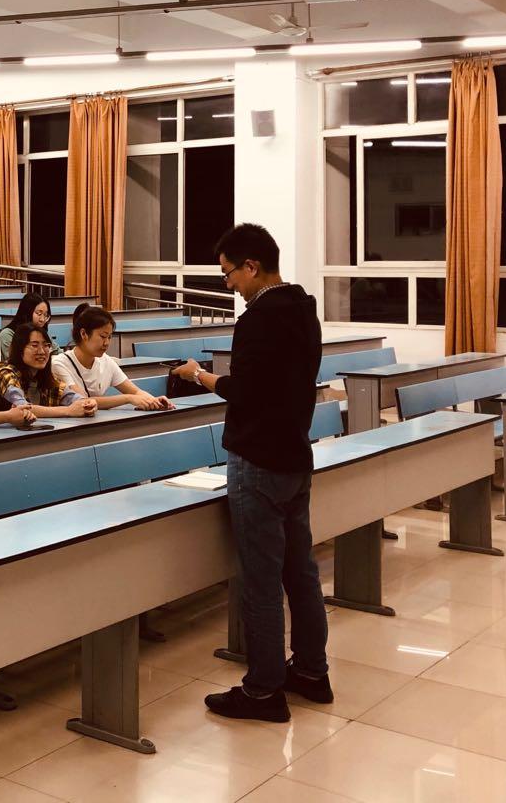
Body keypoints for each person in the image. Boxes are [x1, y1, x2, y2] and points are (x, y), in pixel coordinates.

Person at [170, 223, 329, 723]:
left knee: (261, 581)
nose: (230, 285)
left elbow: (247, 392)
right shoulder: (304, 309)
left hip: (258, 460)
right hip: (294, 455)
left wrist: (200, 376)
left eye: (229, 274)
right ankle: (311, 671)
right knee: (300, 573)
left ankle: (262, 691)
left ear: (252, 267)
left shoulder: (259, 319)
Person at [51, 307, 173, 411]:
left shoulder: (106, 361)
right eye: (103, 336)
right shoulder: (59, 364)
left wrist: (153, 401)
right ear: (83, 334)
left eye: (109, 337)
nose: (107, 343)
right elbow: (83, 401)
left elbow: (135, 391)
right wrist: (128, 398)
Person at [0, 324, 98, 419]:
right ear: (20, 349)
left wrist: (87, 403)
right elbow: (22, 408)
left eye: (46, 345)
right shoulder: (6, 374)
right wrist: (68, 411)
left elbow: (71, 396)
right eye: (34, 345)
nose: (42, 351)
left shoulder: (44, 377)